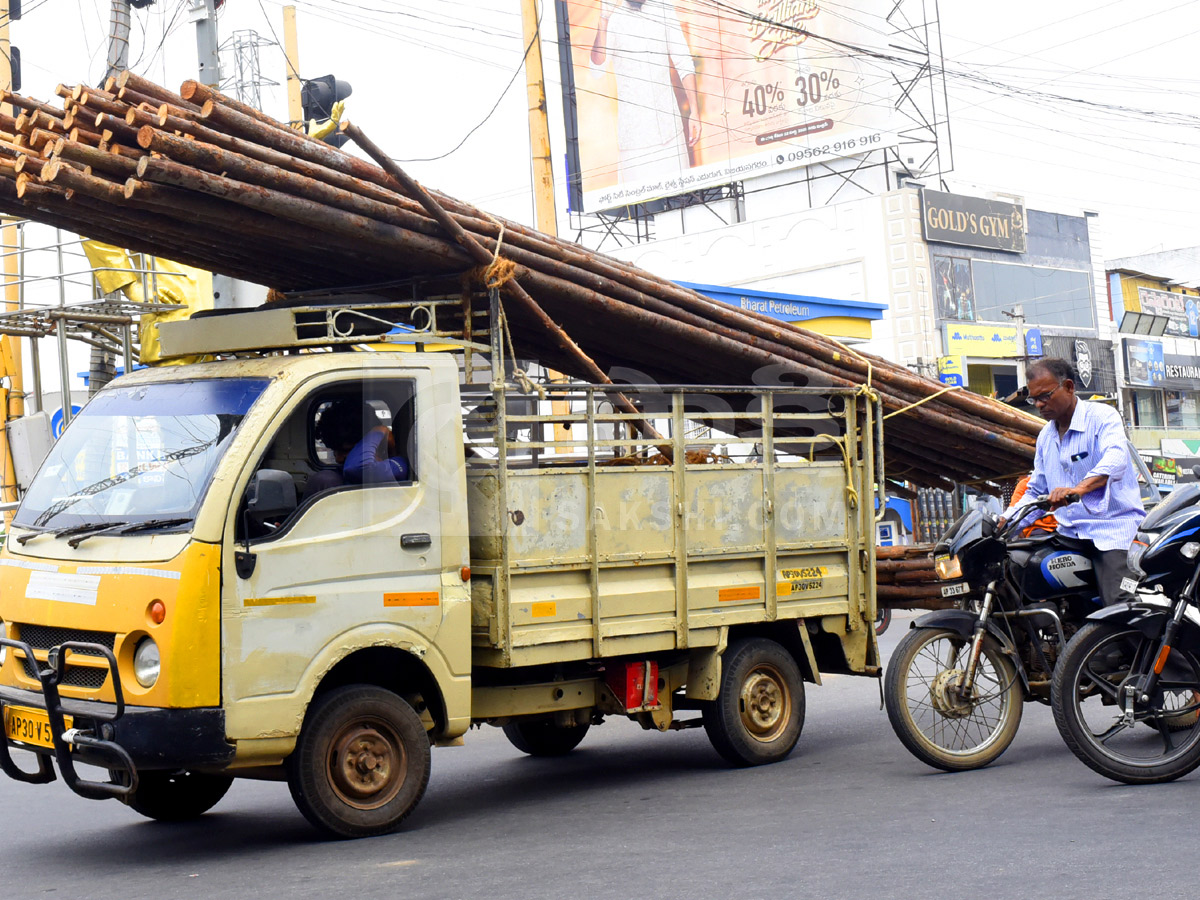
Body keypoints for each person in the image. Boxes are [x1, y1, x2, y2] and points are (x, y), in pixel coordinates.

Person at [999, 357, 1145, 605]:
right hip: (1069, 532)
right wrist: (1004, 523)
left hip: (1111, 531)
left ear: (1068, 386)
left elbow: (1116, 458)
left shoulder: (1102, 417)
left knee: (1119, 605)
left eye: (1046, 395)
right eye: (1034, 399)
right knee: (1022, 572)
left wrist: (1078, 489)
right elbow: (1036, 490)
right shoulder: (1046, 436)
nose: (1039, 404)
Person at [590, 0, 701, 186]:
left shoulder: (664, 8)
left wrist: (695, 113)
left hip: (670, 134)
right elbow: (597, 69)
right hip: (634, 143)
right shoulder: (614, 19)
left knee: (682, 201)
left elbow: (684, 61)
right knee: (642, 210)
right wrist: (603, 21)